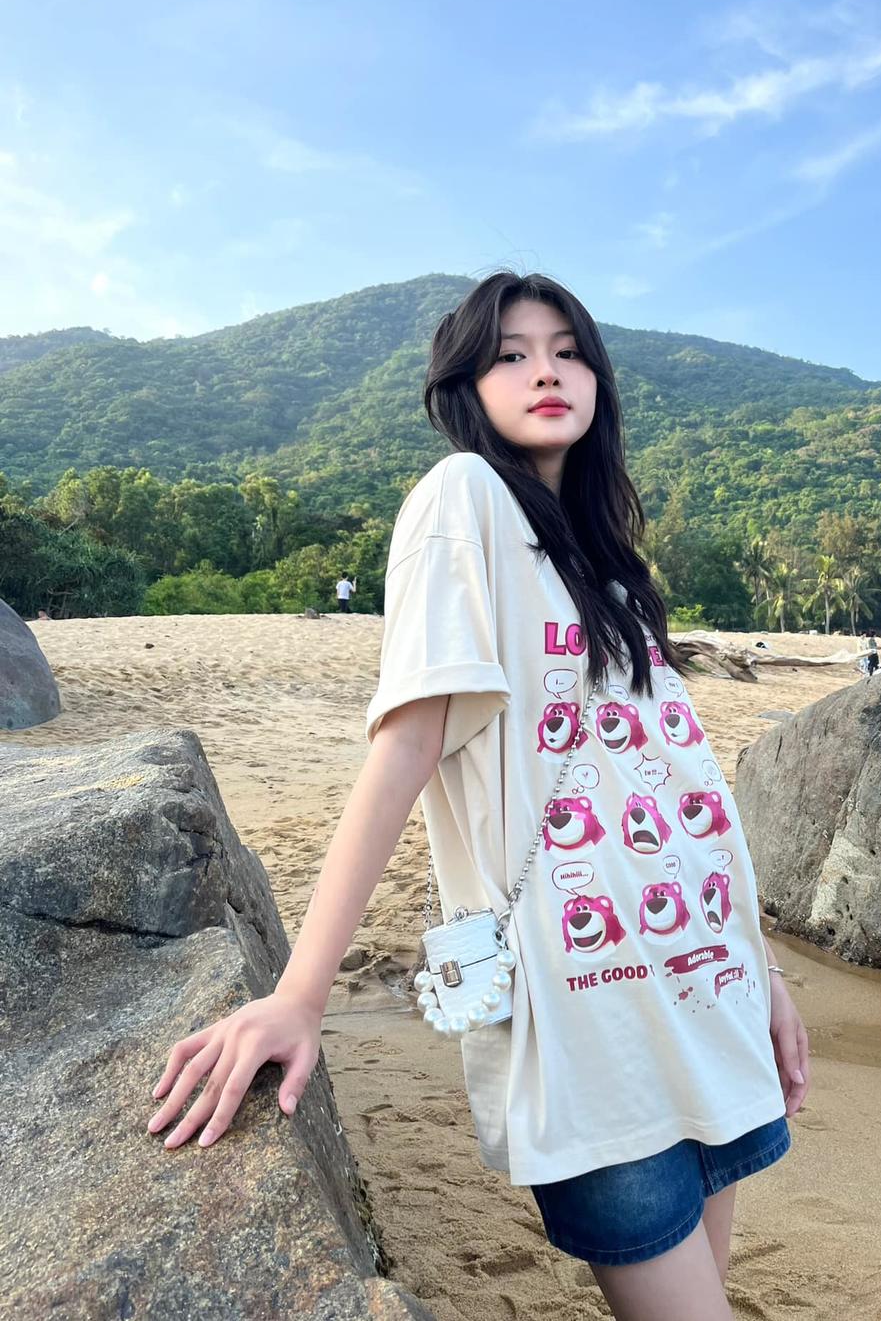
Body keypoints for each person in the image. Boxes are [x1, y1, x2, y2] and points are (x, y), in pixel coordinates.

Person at [148, 272, 810, 1321]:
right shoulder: (463, 499)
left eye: (568, 350)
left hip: (708, 990)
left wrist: (762, 966)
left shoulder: (608, 564)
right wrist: (299, 995)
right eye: (511, 353)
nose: (546, 369)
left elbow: (684, 780)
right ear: (467, 383)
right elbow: (407, 745)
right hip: (591, 1023)